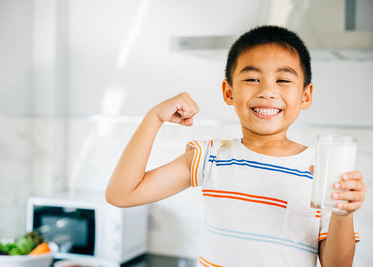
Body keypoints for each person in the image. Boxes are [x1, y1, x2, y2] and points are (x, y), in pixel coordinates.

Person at [105, 25, 366, 266]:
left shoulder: (322, 171)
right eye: (252, 79)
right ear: (229, 92)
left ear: (305, 95)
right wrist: (154, 118)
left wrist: (343, 214)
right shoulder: (210, 157)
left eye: (283, 80)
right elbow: (122, 194)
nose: (267, 91)